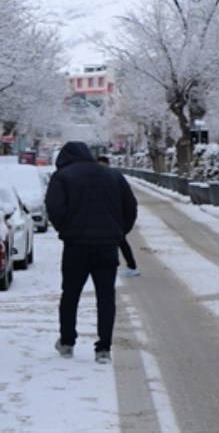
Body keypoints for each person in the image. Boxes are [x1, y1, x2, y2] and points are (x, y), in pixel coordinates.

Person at [45, 142, 137, 364]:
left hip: (75, 246)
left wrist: (66, 229)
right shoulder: (113, 176)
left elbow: (54, 208)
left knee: (70, 295)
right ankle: (103, 347)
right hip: (107, 247)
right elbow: (130, 208)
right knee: (106, 297)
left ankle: (67, 341)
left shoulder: (63, 177)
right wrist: (117, 233)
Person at [98, 156, 141, 277]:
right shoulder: (103, 179)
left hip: (117, 218)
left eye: (103, 165)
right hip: (110, 218)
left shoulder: (115, 177)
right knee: (118, 242)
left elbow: (127, 200)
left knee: (119, 241)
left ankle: (131, 266)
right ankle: (127, 265)